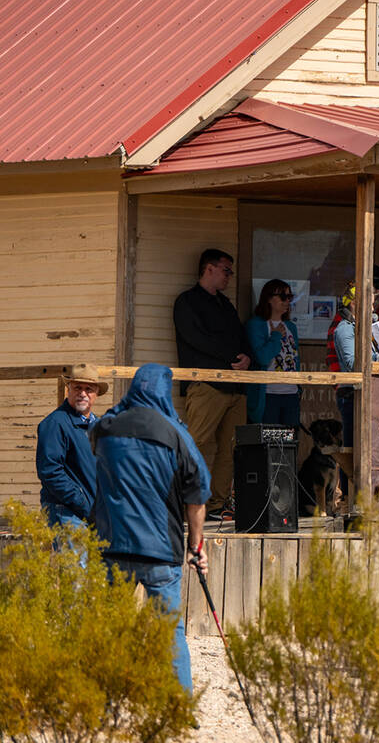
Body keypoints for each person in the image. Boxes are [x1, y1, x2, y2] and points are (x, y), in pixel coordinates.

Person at [89, 363, 211, 692]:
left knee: (113, 622)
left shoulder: (106, 427)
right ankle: (180, 704)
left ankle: (104, 700)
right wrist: (196, 546)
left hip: (112, 543)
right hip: (160, 550)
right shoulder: (176, 433)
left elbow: (95, 448)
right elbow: (197, 495)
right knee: (169, 628)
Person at [173, 248, 250, 521]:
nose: (229, 276)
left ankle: (216, 505)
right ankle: (185, 505)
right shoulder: (187, 302)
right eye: (226, 270)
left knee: (230, 448)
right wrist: (231, 357)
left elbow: (240, 337)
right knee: (197, 443)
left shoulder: (225, 305)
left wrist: (246, 358)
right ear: (209, 269)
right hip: (206, 385)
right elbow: (194, 338)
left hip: (235, 387)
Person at [332, 279, 379, 454]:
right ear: (355, 304)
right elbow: (351, 363)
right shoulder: (345, 329)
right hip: (351, 396)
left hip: (369, 393)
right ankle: (349, 482)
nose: (373, 309)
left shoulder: (367, 327)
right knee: (352, 449)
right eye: (369, 304)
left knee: (369, 450)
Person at [36, 363, 107, 529]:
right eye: (77, 388)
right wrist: (83, 504)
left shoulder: (99, 426)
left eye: (89, 389)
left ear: (96, 393)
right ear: (68, 389)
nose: (83, 394)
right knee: (73, 557)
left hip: (94, 515)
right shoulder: (55, 423)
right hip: (67, 513)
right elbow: (51, 472)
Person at [325, 265, 379, 372]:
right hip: (354, 383)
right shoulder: (344, 323)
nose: (374, 290)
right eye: (370, 286)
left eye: (378, 286)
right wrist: (341, 384)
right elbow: (334, 355)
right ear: (354, 303)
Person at [246, 279, 301, 426]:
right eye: (283, 297)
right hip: (268, 394)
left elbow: (295, 358)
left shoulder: (291, 327)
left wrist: (298, 387)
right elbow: (263, 358)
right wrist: (275, 336)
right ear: (269, 298)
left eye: (289, 297)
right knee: (269, 442)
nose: (286, 301)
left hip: (291, 393)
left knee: (290, 442)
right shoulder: (256, 325)